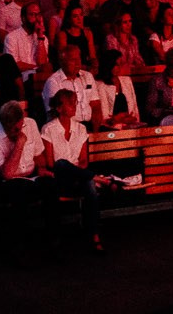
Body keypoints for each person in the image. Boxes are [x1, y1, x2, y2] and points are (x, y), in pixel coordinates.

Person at [37, 89, 102, 253]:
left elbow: (84, 160)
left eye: (74, 102)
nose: (74, 106)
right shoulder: (48, 129)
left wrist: (76, 172)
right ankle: (102, 179)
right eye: (70, 103)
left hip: (77, 176)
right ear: (59, 108)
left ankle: (93, 234)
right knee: (61, 164)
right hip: (58, 177)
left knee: (89, 186)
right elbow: (51, 163)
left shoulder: (80, 129)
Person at [0, 99, 44, 185]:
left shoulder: (31, 123)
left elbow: (39, 157)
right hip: (3, 183)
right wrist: (19, 143)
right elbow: (7, 174)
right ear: (4, 124)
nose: (20, 130)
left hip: (30, 178)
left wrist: (41, 169)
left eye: (22, 125)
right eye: (15, 129)